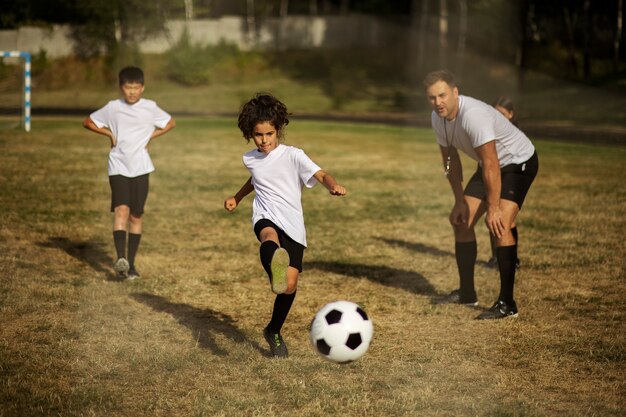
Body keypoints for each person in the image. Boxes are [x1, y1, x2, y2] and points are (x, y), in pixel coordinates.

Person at [224, 93, 346, 357]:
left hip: (293, 223)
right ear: (250, 134)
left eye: (269, 134)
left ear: (277, 130)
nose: (264, 140)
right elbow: (255, 180)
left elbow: (321, 174)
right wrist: (238, 197)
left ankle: (273, 330)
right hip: (266, 214)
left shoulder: (294, 156)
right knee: (268, 236)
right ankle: (274, 265)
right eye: (258, 135)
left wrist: (332, 185)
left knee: (289, 286)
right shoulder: (251, 158)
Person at [424, 70, 538, 320]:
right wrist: (458, 202)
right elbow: (451, 161)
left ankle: (507, 304)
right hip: (489, 166)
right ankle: (467, 293)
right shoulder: (438, 118)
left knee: (501, 224)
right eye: (432, 98)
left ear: (455, 92)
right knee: (461, 222)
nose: (438, 102)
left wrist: (495, 207)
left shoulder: (473, 115)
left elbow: (492, 163)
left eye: (442, 95)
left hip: (517, 163)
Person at [83, 66, 176, 280]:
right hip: (118, 166)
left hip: (141, 167)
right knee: (121, 211)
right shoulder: (112, 107)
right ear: (120, 88)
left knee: (136, 214)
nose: (132, 92)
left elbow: (170, 123)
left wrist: (150, 137)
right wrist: (108, 133)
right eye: (128, 87)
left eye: (136, 88)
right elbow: (88, 122)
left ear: (142, 88)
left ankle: (132, 265)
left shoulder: (150, 107)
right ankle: (120, 260)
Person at [486, 96, 520, 269]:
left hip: (509, 176)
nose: (498, 117)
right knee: (492, 216)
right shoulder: (489, 130)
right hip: (494, 176)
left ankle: (512, 259)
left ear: (511, 115)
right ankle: (496, 257)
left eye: (502, 113)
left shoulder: (514, 134)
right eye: (495, 113)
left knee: (506, 219)